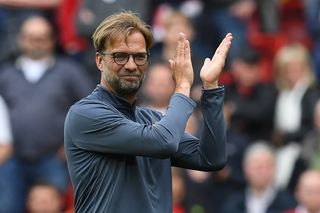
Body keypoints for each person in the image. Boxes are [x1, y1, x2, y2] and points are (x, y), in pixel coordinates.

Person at [64, 11, 232, 212]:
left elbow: (211, 158)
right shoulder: (85, 114)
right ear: (100, 61)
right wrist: (182, 87)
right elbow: (163, 142)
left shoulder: (151, 119)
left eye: (139, 57)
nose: (131, 65)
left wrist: (211, 88)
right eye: (120, 56)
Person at [0, 15, 93, 213]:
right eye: (31, 37)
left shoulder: (69, 71)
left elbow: (92, 107)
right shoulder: (5, 74)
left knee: (52, 209)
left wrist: (74, 143)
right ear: (21, 39)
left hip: (54, 158)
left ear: (52, 40)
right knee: (7, 207)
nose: (37, 43)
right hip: (12, 159)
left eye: (42, 38)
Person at [221, 142, 296, 213]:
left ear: (274, 169)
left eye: (266, 167)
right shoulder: (233, 202)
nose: (261, 172)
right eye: (257, 167)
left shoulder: (288, 203)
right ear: (246, 169)